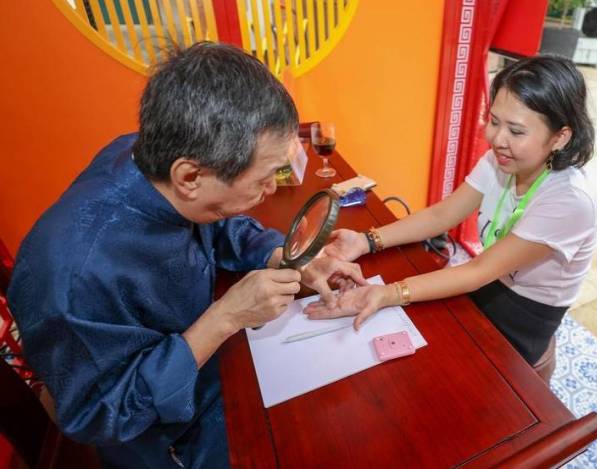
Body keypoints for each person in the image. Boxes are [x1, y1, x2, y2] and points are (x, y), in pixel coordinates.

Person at [7, 42, 365, 468]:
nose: (272, 190)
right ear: (190, 176)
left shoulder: (151, 156)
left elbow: (218, 220)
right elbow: (99, 415)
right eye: (264, 178)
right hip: (167, 435)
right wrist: (224, 318)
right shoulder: (74, 278)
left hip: (217, 360)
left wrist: (284, 258)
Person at [306, 55, 597, 367]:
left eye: (516, 131)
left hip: (524, 315)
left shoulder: (570, 201)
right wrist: (365, 241)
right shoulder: (500, 160)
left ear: (560, 137)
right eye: (494, 121)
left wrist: (386, 293)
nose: (497, 139)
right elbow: (442, 215)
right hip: (487, 286)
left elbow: (477, 271)